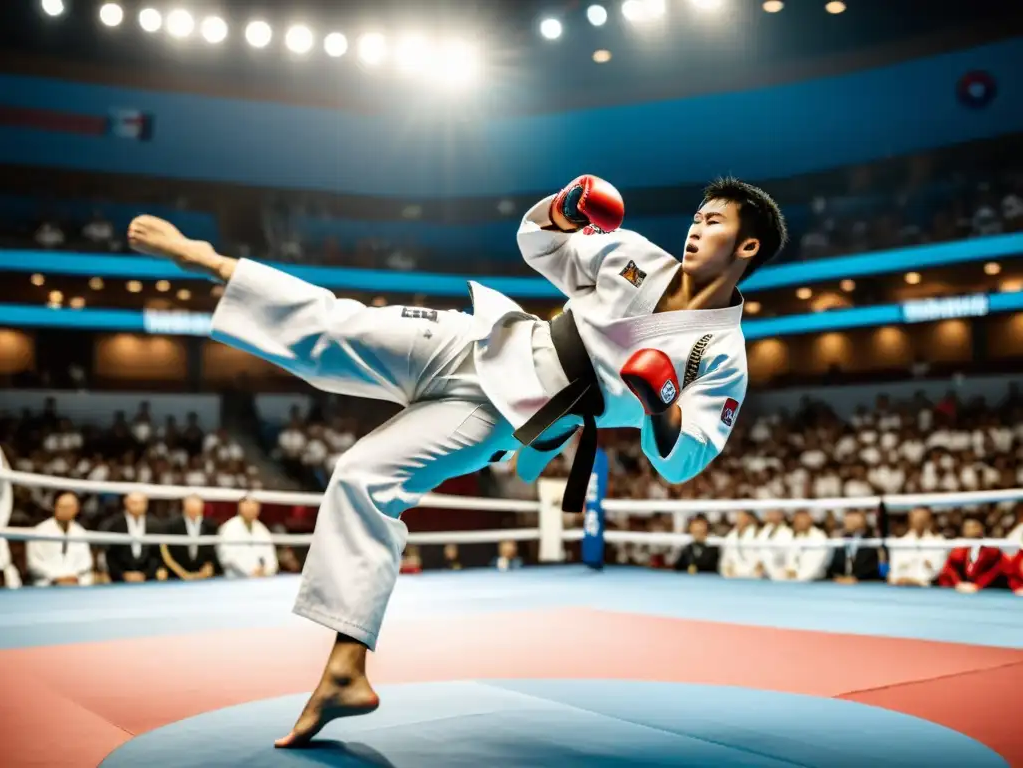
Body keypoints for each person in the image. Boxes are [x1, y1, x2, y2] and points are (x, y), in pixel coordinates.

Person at [127, 173, 787, 747]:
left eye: (714, 222)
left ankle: (344, 669)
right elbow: (541, 246)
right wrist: (563, 209)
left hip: (507, 415)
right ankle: (212, 262)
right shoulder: (635, 256)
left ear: (748, 246)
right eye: (697, 217)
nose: (694, 230)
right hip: (480, 341)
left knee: (362, 476)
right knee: (342, 325)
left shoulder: (719, 358)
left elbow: (683, 460)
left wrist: (663, 405)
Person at [26, 492, 94, 587]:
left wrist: (74, 578)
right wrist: (56, 578)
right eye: (61, 506)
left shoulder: (81, 532)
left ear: (76, 509)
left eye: (69, 507)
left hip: (76, 585)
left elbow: (86, 564)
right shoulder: (40, 531)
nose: (64, 510)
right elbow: (34, 563)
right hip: (47, 585)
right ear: (55, 507)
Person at [101, 492, 166, 583]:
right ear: (126, 503)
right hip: (120, 580)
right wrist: (122, 574)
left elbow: (157, 554)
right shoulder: (113, 525)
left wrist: (146, 574)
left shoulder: (156, 525)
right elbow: (110, 554)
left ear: (146, 504)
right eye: (133, 502)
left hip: (149, 580)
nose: (137, 506)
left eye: (140, 502)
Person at [159, 494, 220, 581]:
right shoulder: (171, 525)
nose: (193, 511)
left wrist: (210, 565)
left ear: (202, 508)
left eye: (196, 508)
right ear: (184, 507)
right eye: (191, 508)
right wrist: (179, 572)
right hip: (176, 577)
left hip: (205, 578)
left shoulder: (211, 526)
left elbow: (215, 550)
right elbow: (165, 552)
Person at [216, 497, 278, 579]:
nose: (251, 508)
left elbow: (271, 558)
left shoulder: (263, 530)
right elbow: (227, 558)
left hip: (261, 580)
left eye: (254, 505)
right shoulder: (229, 528)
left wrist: (266, 571)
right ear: (240, 506)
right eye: (247, 504)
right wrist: (250, 572)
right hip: (235, 580)